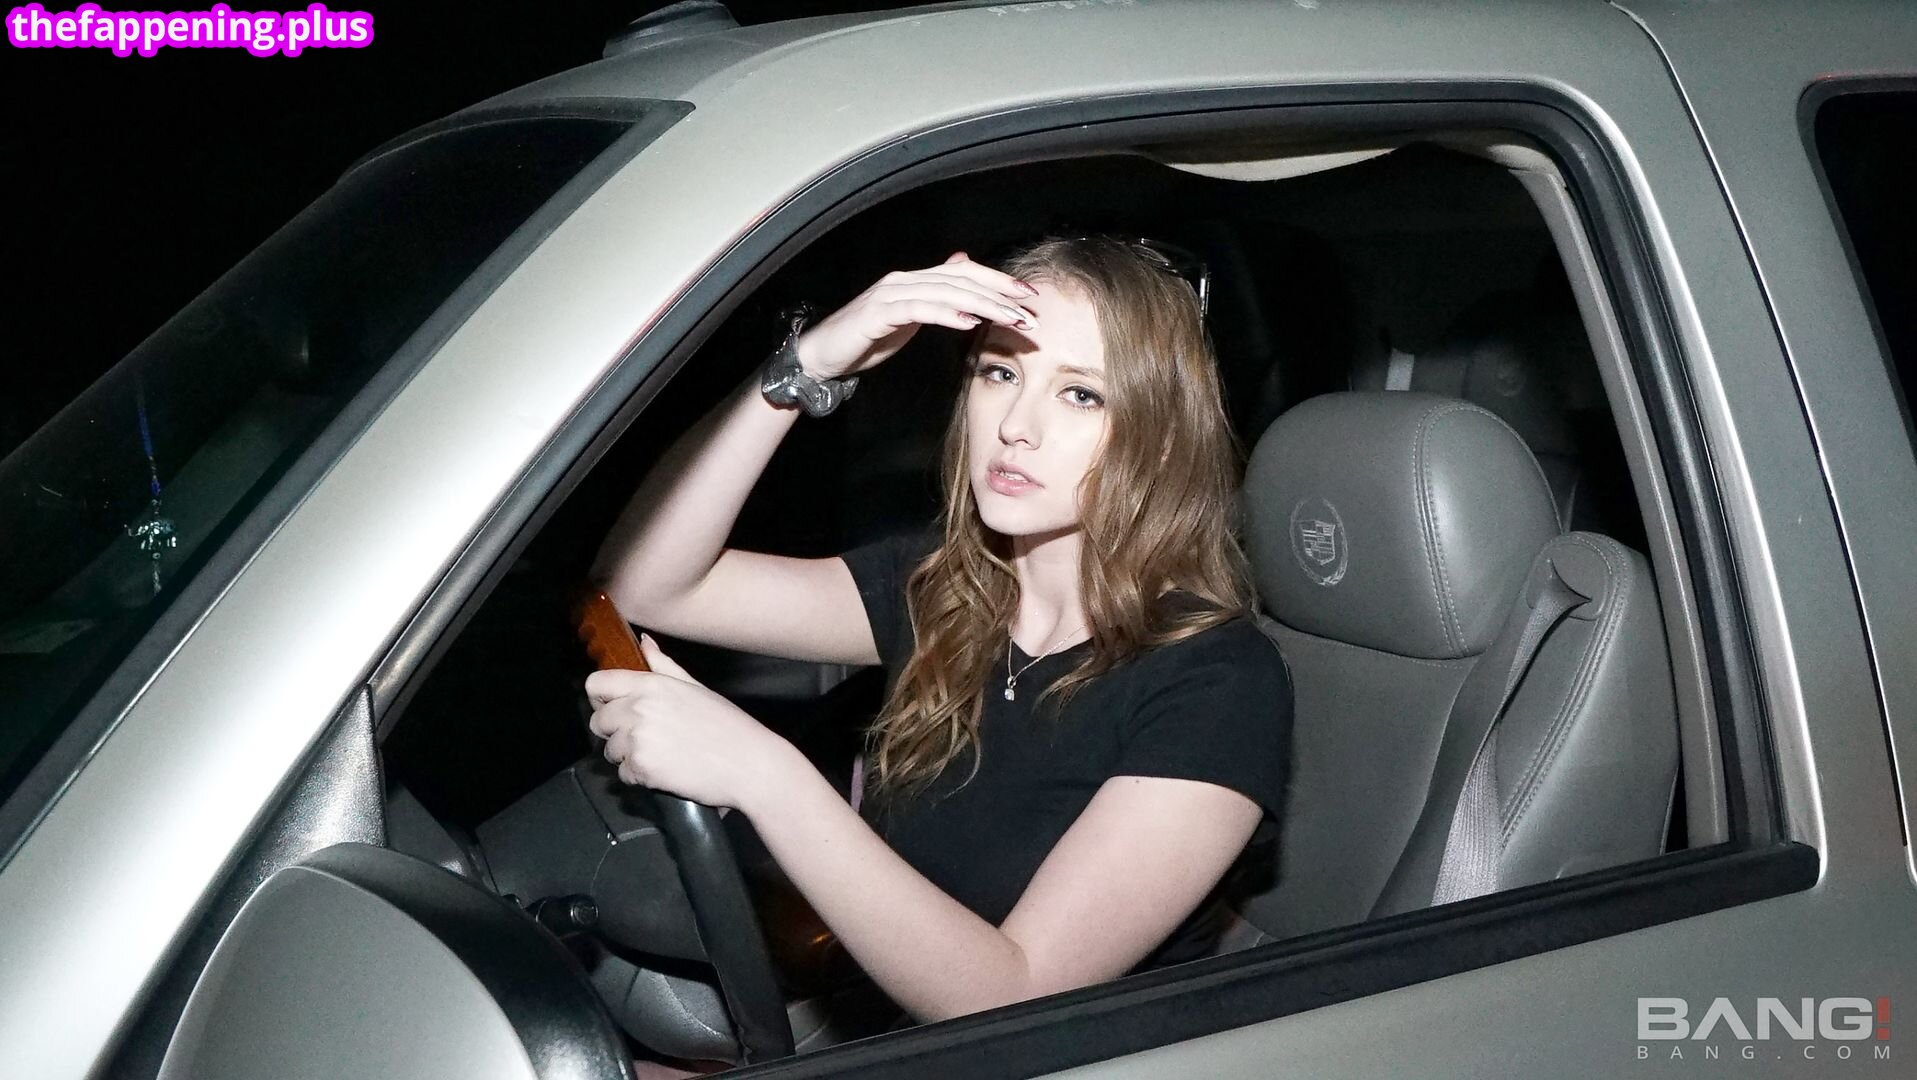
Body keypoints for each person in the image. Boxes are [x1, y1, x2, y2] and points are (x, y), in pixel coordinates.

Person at [586, 236, 1292, 1068]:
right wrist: (806, 368)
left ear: (1163, 441)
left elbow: (1013, 998)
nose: (1017, 427)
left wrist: (763, 774)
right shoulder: (944, 591)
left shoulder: (1220, 682)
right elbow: (644, 587)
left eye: (1080, 394)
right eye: (999, 373)